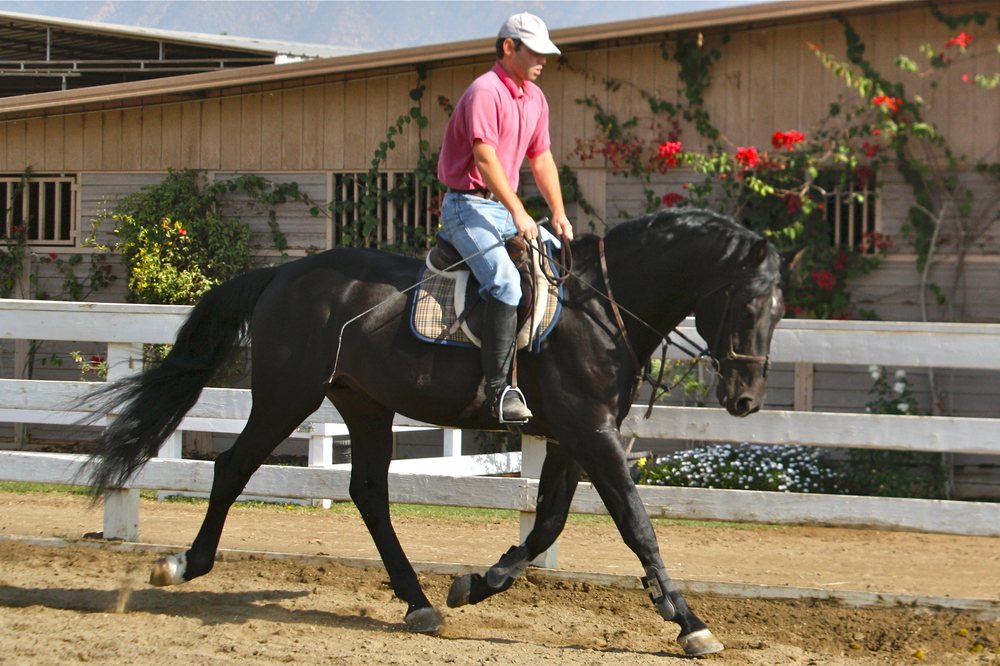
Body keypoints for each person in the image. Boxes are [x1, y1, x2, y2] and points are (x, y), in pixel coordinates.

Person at [437, 11, 574, 424]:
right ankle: (498, 391)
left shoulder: (535, 98)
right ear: (509, 48)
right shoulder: (485, 91)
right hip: (466, 206)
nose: (543, 60)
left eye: (545, 53)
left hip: (499, 208)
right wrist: (519, 212)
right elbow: (485, 157)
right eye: (534, 52)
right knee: (504, 283)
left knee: (554, 271)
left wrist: (559, 212)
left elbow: (542, 158)